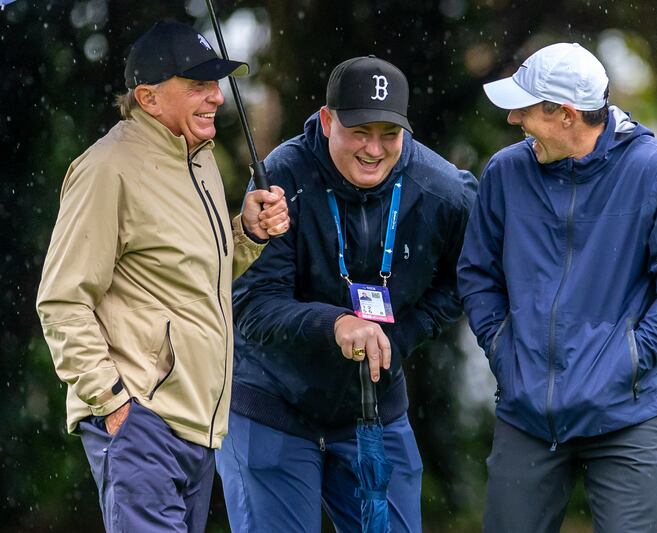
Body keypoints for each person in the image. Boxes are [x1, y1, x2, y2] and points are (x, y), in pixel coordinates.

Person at [35, 20, 289, 532]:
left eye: (215, 84)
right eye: (197, 85)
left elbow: (194, 277)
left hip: (197, 427)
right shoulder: (107, 168)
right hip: (143, 422)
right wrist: (114, 405)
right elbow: (61, 302)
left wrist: (247, 234)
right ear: (148, 97)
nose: (216, 97)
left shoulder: (200, 161)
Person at [457, 42, 657, 532]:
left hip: (624, 419)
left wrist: (629, 360)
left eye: (527, 109)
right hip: (525, 414)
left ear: (567, 115)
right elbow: (478, 274)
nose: (514, 120)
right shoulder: (506, 173)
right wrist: (502, 348)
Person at [215, 55, 477, 532]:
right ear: (327, 119)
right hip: (272, 404)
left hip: (372, 412)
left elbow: (468, 276)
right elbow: (251, 305)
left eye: (389, 134)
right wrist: (335, 323)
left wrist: (404, 335)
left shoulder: (445, 192)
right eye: (360, 131)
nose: (374, 149)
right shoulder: (282, 178)